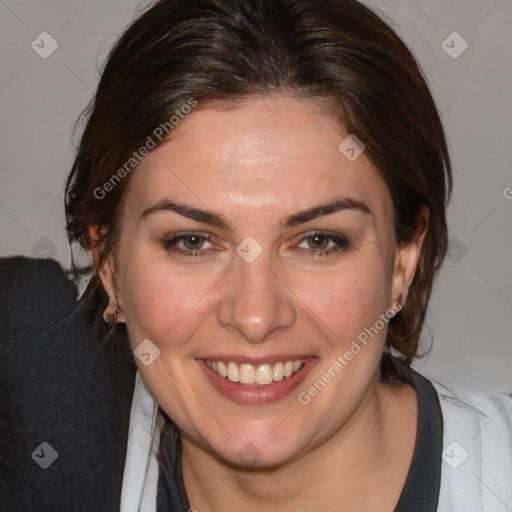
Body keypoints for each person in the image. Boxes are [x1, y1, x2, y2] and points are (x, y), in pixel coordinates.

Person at [1, 0, 510, 511]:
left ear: (403, 259)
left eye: (318, 241)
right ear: (108, 262)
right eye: (192, 242)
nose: (255, 316)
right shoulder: (42, 428)